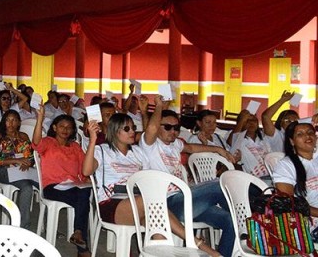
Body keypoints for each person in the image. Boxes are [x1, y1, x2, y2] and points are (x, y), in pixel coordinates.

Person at [82, 113, 221, 257]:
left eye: (134, 128)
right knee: (149, 202)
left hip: (141, 203)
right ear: (115, 131)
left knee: (159, 229)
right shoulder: (103, 151)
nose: (132, 132)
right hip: (113, 204)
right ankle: (195, 242)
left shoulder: (137, 152)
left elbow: (147, 178)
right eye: (127, 128)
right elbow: (86, 171)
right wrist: (93, 140)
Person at [140, 96, 236, 257]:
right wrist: (158, 107)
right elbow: (151, 129)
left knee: (230, 221)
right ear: (158, 128)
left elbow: (191, 147)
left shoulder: (175, 144)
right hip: (169, 203)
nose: (173, 131)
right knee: (220, 183)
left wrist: (218, 150)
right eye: (168, 127)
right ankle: (250, 215)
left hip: (189, 201)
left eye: (176, 127)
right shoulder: (150, 145)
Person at [33, 105, 94, 256]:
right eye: (62, 126)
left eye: (69, 127)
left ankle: (79, 234)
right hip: (52, 187)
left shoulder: (75, 146)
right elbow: (35, 143)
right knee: (83, 199)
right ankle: (82, 247)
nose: (65, 130)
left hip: (72, 186)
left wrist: (87, 180)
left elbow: (84, 169)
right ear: (54, 127)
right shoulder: (48, 142)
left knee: (84, 193)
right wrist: (40, 118)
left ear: (73, 130)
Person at [0, 109, 36, 230]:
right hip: (5, 171)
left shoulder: (23, 137)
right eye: (8, 120)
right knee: (27, 188)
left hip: (23, 170)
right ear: (4, 122)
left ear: (19, 123)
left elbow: (30, 156)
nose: (11, 123)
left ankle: (48, 221)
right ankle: (22, 226)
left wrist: (28, 163)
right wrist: (16, 161)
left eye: (14, 120)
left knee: (45, 184)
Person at [272, 122, 318, 216]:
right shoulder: (286, 166)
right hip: (309, 222)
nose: (307, 136)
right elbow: (289, 202)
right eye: (300, 134)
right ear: (292, 141)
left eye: (310, 132)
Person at [228, 110, 270, 178]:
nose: (251, 123)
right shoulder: (237, 137)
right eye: (247, 121)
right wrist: (242, 120)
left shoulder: (264, 137)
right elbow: (231, 142)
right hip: (251, 177)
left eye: (254, 120)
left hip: (270, 174)